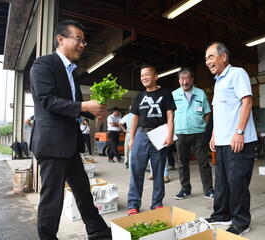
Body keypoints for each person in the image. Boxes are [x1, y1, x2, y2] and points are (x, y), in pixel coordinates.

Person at [29, 20, 111, 240]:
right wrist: (84, 106)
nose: (83, 44)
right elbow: (48, 101)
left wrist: (92, 112)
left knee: (83, 193)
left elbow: (72, 106)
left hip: (69, 144)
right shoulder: (43, 65)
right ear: (61, 39)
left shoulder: (72, 73)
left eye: (84, 41)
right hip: (51, 144)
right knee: (52, 199)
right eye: (78, 39)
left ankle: (100, 233)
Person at [204, 42, 258, 236]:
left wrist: (239, 132)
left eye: (211, 57)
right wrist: (214, 134)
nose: (207, 61)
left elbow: (247, 101)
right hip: (223, 141)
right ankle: (221, 215)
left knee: (237, 183)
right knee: (222, 182)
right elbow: (219, 111)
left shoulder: (237, 73)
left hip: (239, 140)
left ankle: (241, 221)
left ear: (224, 56)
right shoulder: (218, 81)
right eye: (206, 59)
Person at [127, 64, 176, 215]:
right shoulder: (139, 96)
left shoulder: (166, 93)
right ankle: (133, 205)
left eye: (147, 74)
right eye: (142, 76)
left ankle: (157, 203)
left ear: (155, 76)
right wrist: (131, 138)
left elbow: (170, 116)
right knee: (136, 170)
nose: (144, 78)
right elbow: (134, 118)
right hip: (141, 135)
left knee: (159, 170)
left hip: (159, 135)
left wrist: (170, 134)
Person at [171, 67, 214, 200]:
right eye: (182, 79)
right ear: (179, 80)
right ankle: (185, 189)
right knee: (182, 163)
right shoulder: (174, 95)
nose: (185, 82)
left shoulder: (201, 93)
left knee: (203, 163)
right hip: (181, 134)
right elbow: (170, 115)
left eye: (187, 78)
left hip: (198, 134)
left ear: (192, 79)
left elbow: (207, 112)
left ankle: (208, 190)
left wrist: (203, 126)